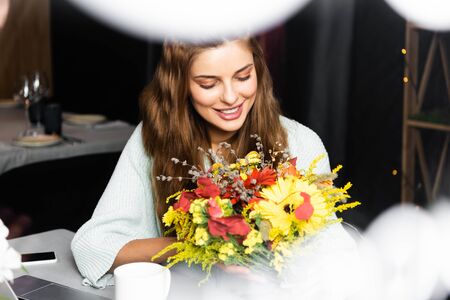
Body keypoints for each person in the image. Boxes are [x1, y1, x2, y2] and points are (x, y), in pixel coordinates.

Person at [71, 37, 356, 289]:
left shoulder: (300, 142)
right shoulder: (153, 138)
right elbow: (92, 248)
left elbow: (336, 256)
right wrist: (199, 246)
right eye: (208, 84)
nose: (231, 97)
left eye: (243, 77)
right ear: (180, 83)